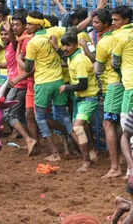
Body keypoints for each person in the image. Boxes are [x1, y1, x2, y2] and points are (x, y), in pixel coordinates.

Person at [13, 11, 72, 162]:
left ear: (38, 24)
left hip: (42, 84)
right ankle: (84, 150)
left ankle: (55, 153)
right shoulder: (55, 31)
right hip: (58, 81)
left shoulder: (33, 42)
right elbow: (75, 29)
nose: (27, 27)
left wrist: (18, 58)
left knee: (40, 119)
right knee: (64, 117)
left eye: (29, 24)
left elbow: (28, 68)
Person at [60, 30, 99, 172]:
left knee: (77, 127)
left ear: (76, 45)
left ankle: (86, 161)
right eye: (63, 45)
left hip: (88, 98)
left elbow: (83, 85)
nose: (65, 48)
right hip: (81, 99)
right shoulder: (72, 57)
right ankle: (92, 151)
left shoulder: (79, 60)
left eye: (68, 46)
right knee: (84, 126)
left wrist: (66, 87)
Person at [0, 24, 37, 156]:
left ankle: (29, 139)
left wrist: (11, 33)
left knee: (9, 114)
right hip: (16, 82)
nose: (4, 36)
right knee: (21, 115)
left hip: (19, 83)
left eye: (6, 33)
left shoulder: (20, 42)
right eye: (2, 33)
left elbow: (29, 68)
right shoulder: (16, 43)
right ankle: (32, 140)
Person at [93, 9, 123, 178]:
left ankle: (115, 167)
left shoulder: (107, 41)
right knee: (123, 124)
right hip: (127, 84)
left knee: (108, 123)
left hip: (114, 85)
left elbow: (99, 68)